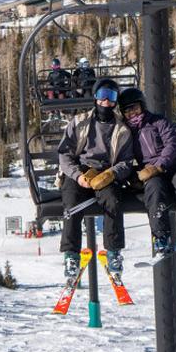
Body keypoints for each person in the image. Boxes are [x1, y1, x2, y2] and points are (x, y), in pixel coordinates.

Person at [56, 78, 135, 281]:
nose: (106, 102)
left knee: (113, 201)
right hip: (81, 170)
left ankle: (113, 251)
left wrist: (112, 174)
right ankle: (71, 254)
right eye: (102, 96)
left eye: (111, 97)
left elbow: (126, 161)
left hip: (106, 172)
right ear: (95, 98)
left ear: (116, 101)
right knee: (72, 202)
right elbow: (64, 154)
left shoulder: (122, 129)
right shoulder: (80, 122)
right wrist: (77, 176)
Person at [117, 87, 176, 256]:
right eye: (127, 110)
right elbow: (123, 155)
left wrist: (159, 165)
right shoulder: (126, 133)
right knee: (154, 191)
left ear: (142, 106)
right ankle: (161, 238)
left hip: (173, 165)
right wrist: (133, 176)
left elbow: (171, 145)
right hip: (151, 172)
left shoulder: (158, 122)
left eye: (134, 107)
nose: (132, 113)